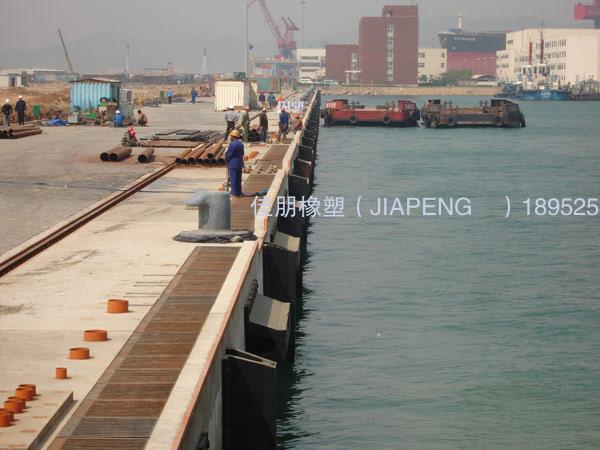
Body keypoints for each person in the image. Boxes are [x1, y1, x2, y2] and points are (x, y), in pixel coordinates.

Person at [225, 129, 244, 197]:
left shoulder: (232, 144)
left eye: (231, 136)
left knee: (233, 178)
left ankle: (234, 193)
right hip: (239, 163)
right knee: (238, 179)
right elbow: (242, 153)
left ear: (233, 136)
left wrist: (226, 160)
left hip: (233, 164)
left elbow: (229, 154)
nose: (230, 137)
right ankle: (239, 193)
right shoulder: (240, 144)